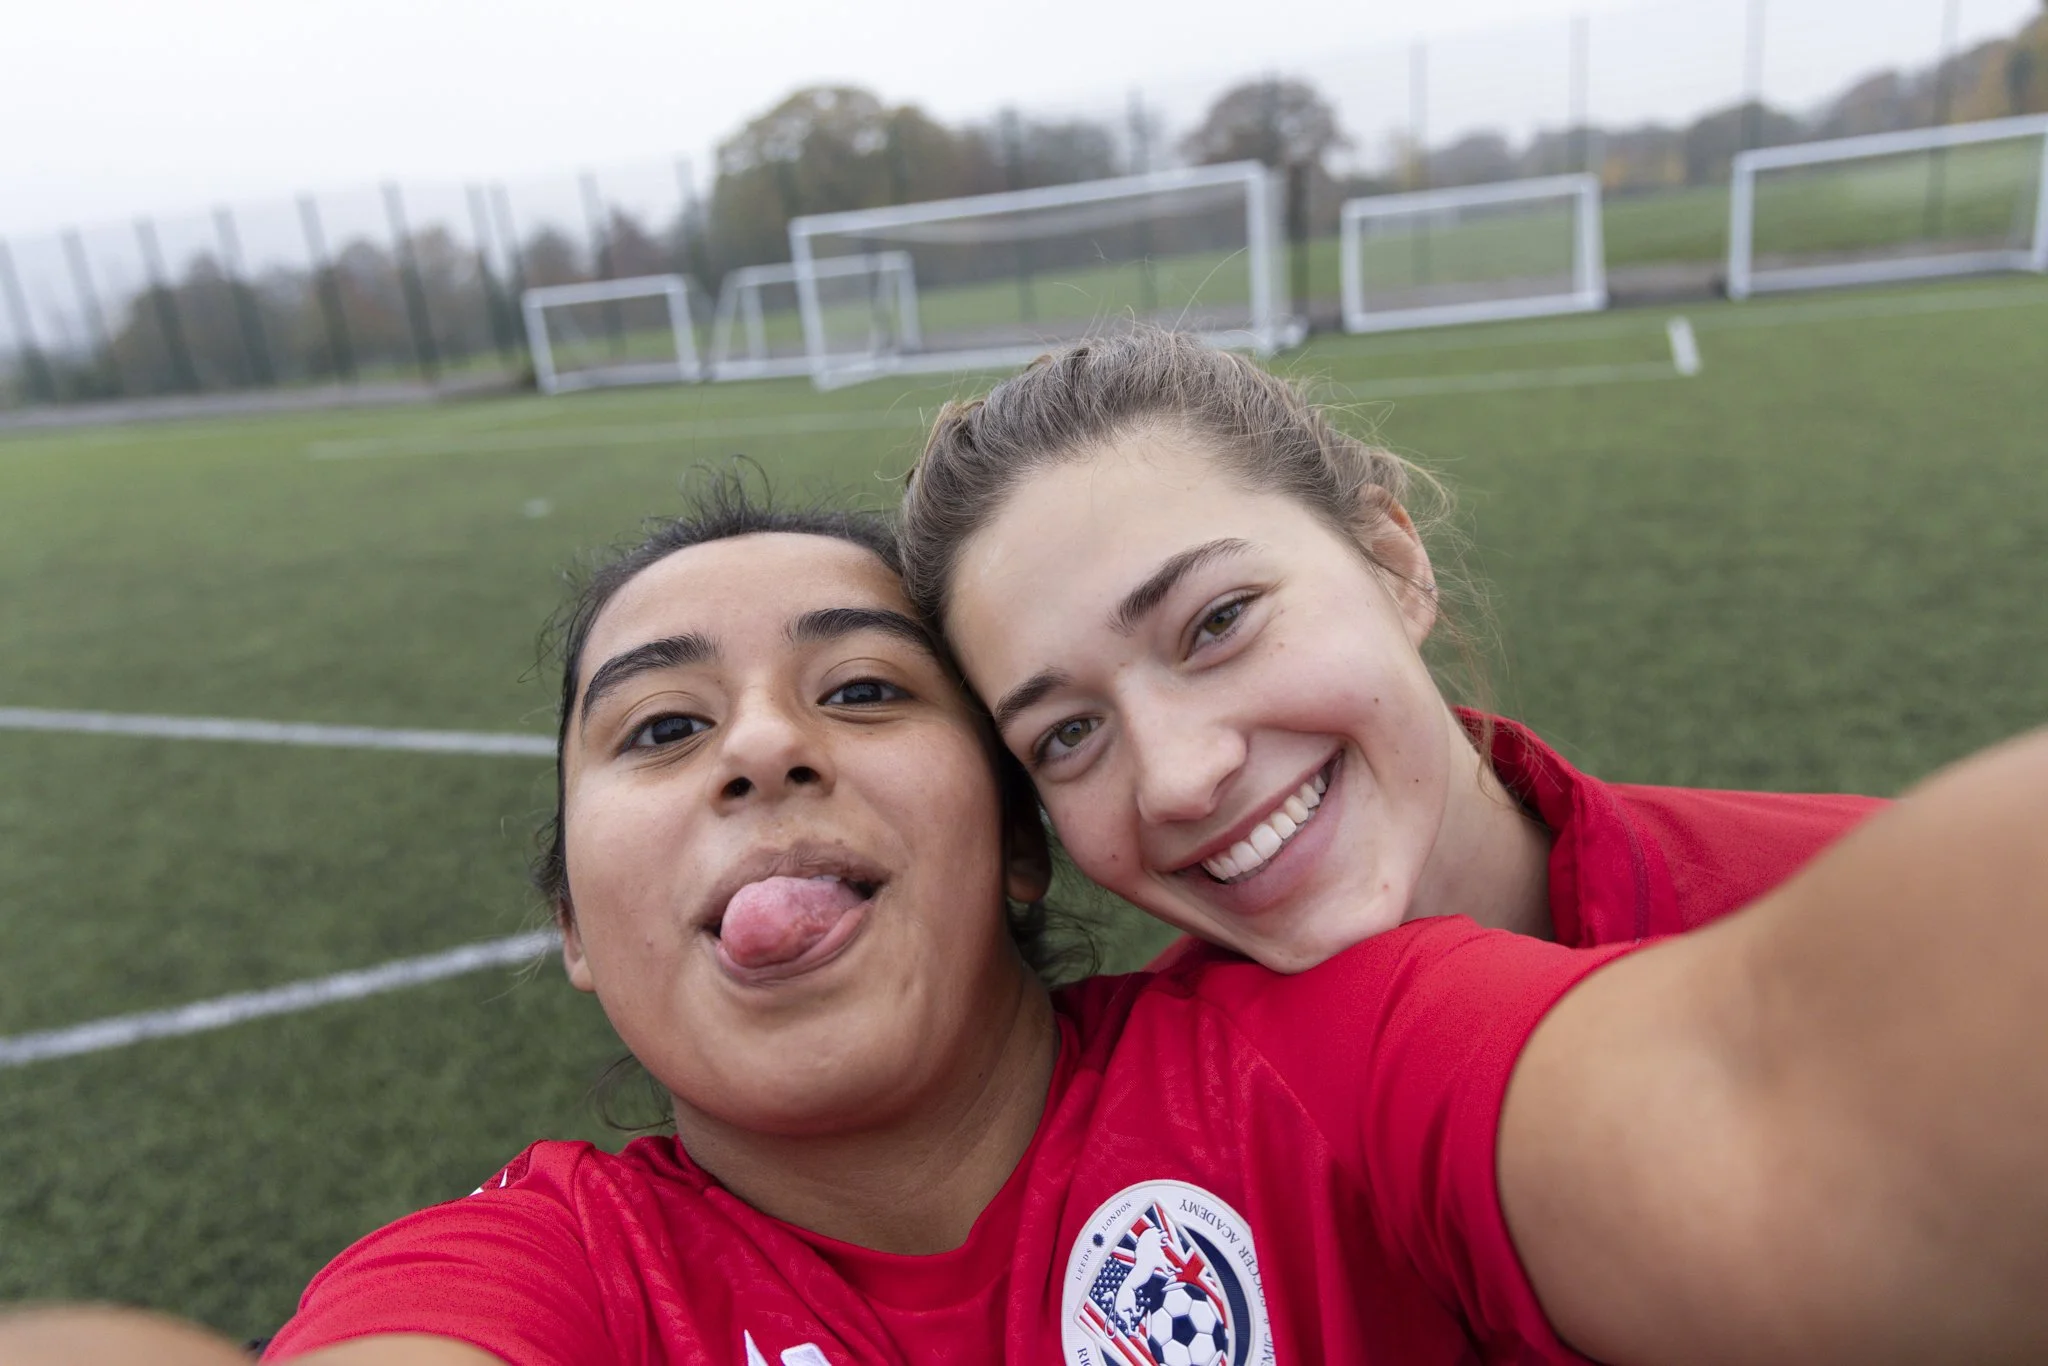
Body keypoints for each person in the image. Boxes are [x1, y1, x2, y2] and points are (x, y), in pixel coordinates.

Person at [7, 481, 2047, 1366]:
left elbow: (1777, 1105)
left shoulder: (1331, 1060)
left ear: (1007, 841)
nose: (759, 747)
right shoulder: (543, 1269)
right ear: (573, 926)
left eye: (865, 687)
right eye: (655, 725)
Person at [898, 328, 1885, 971]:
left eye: (1216, 621)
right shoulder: (1109, 1164)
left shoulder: (1867, 914)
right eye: (1066, 732)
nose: (1178, 779)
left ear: (1389, 560)